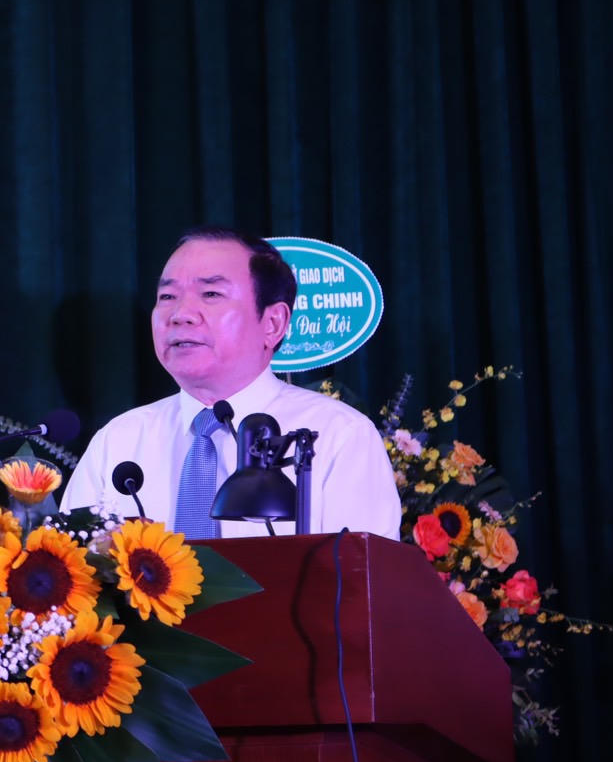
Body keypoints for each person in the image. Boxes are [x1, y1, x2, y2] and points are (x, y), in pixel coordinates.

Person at [61, 226, 402, 538]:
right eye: (167, 297)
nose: (180, 314)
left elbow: (363, 578)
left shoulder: (338, 437)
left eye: (211, 294)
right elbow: (71, 570)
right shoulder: (118, 441)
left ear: (273, 323)